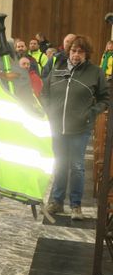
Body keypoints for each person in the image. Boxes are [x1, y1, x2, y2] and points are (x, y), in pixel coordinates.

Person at [41, 35, 109, 220]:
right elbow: (44, 92)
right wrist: (48, 110)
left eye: (80, 51)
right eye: (73, 51)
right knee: (60, 164)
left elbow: (105, 97)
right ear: (68, 51)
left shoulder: (94, 72)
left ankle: (76, 205)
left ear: (86, 54)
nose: (76, 55)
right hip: (57, 127)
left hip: (80, 127)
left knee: (77, 166)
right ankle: (56, 201)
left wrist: (91, 113)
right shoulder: (57, 69)